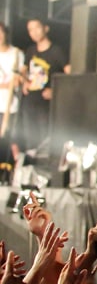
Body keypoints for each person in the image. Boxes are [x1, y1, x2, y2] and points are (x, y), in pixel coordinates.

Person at [19, 18, 69, 160]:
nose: (34, 32)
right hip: (30, 102)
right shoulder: (30, 51)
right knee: (30, 139)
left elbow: (70, 75)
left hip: (46, 104)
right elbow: (23, 71)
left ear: (45, 28)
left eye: (36, 28)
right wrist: (24, 82)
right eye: (30, 30)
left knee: (44, 139)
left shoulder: (57, 51)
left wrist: (56, 91)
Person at [0, 22, 23, 179]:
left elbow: (20, 78)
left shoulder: (16, 54)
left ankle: (7, 176)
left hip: (10, 106)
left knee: (9, 141)